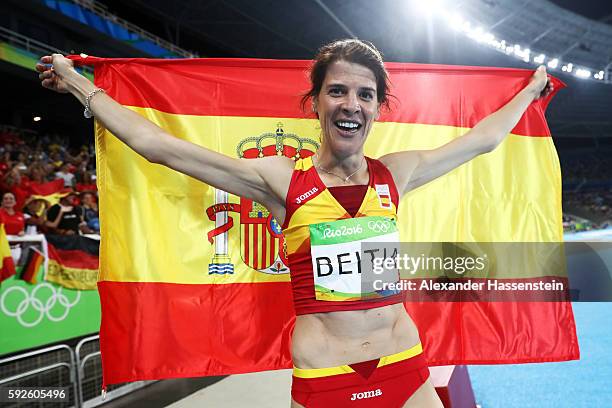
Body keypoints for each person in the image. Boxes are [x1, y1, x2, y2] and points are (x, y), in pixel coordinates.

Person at [37, 39, 552, 407]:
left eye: (365, 94)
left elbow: (482, 140)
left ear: (378, 109)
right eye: (338, 91)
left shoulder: (398, 172)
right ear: (317, 103)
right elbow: (159, 148)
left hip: (404, 363)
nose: (351, 104)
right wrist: (79, 85)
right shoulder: (283, 182)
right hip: (325, 373)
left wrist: (530, 92)